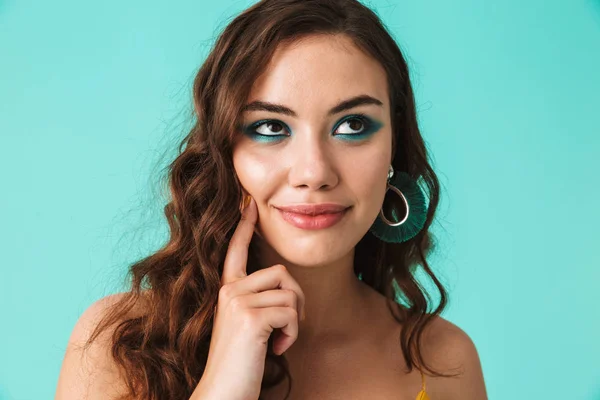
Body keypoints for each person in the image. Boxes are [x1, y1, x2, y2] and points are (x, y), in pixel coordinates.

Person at [55, 0, 488, 399]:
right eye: (270, 128)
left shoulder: (445, 362)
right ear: (225, 153)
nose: (314, 173)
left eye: (353, 125)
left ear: (394, 144)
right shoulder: (122, 343)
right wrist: (222, 386)